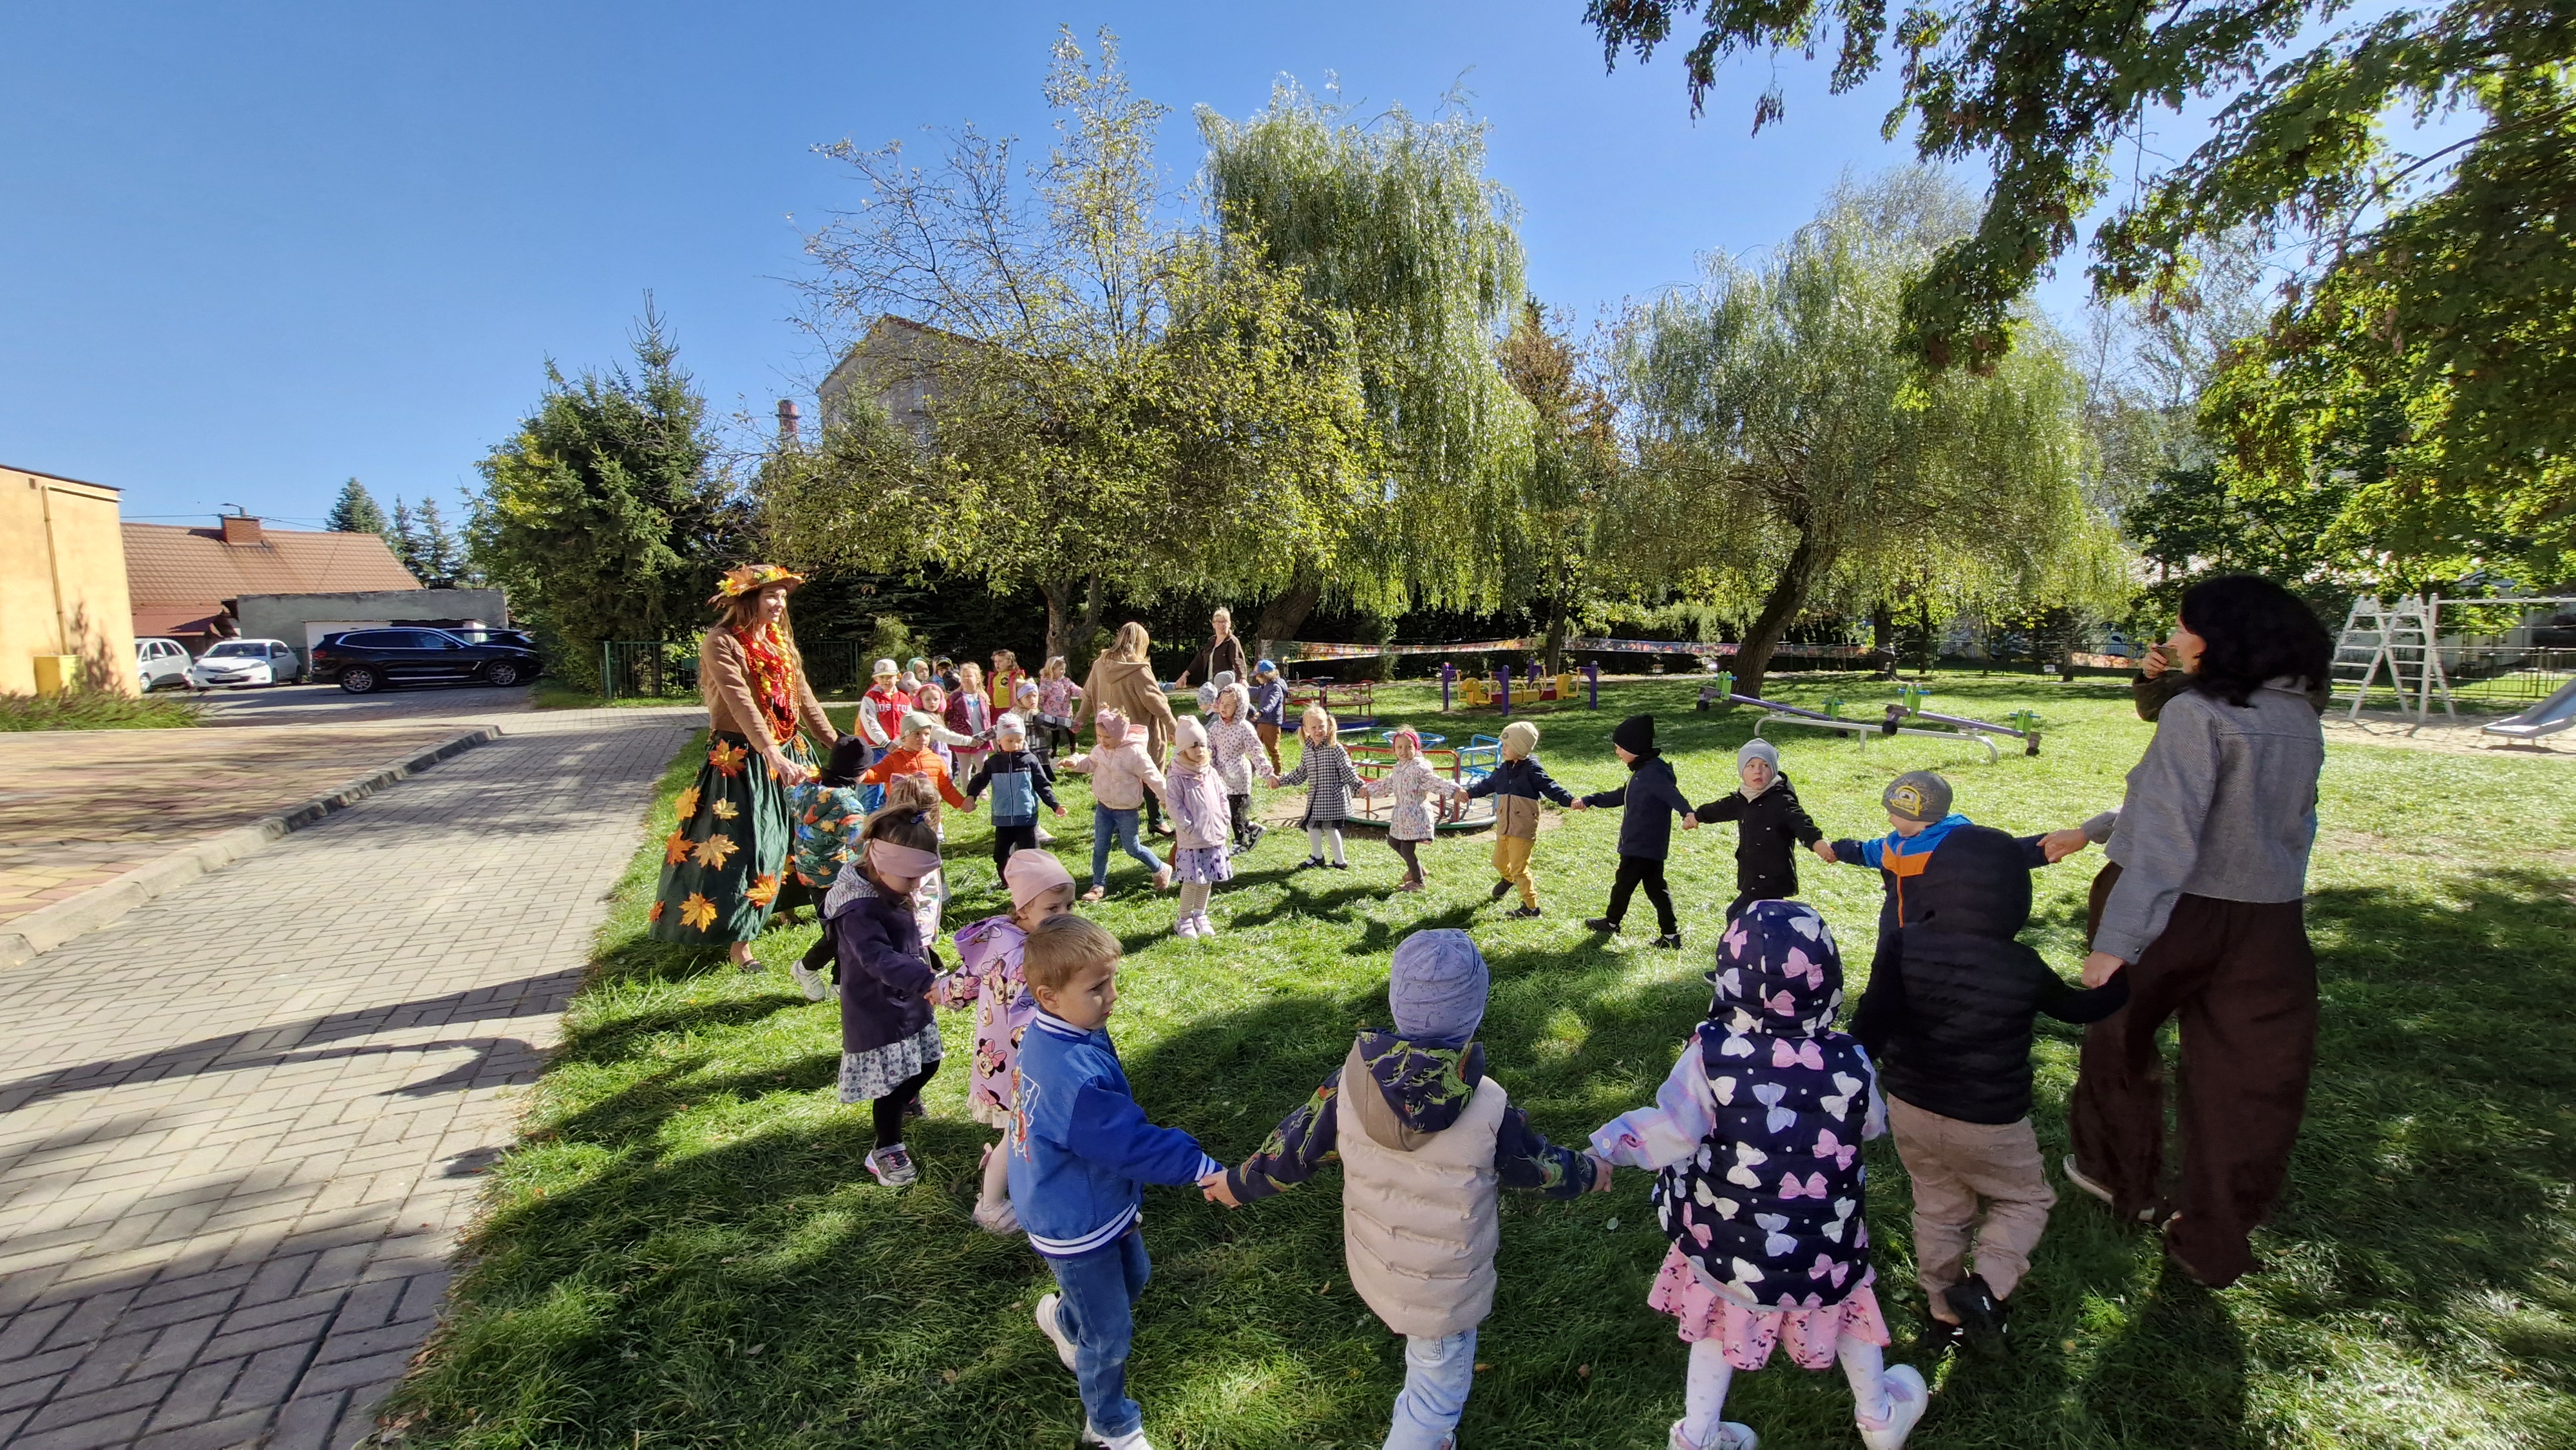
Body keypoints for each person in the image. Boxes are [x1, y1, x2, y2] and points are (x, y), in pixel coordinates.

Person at [1204, 929, 1613, 1450]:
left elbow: (1293, 1148)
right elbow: (1537, 1166)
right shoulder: (1488, 1105)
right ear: (1477, 1010)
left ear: (1398, 1001)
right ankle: (1421, 1436)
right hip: (1444, 1289)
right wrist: (1590, 1171)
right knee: (1436, 1390)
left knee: (1426, 1363)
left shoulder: (1348, 1081)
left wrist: (1238, 1184)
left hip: (1377, 1262)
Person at [2061, 574, 2332, 1288]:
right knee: (2252, 1077)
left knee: (2119, 1035)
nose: (2172, 639)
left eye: (2182, 627)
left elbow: (2165, 836)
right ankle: (2216, 1228)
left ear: (2217, 637)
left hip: (2170, 909)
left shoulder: (2199, 714)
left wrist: (2116, 941)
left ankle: (2118, 1174)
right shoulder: (2301, 713)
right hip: (2269, 920)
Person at [1589, 901, 1928, 1450]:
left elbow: (1670, 1129)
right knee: (1847, 1315)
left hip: (1729, 1246)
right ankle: (1880, 1417)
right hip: (1828, 1244)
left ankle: (1697, 1436)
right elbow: (1872, 1127)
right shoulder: (1850, 1060)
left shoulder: (1711, 1056)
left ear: (1729, 980)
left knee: (1717, 1325)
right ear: (1829, 981)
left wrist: (1607, 1147)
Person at [1846, 826, 2130, 1357]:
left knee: (1938, 1208)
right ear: (2014, 896)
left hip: (1910, 1107)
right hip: (1991, 1120)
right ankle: (1985, 1288)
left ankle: (1941, 1313)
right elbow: (2080, 1010)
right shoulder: (2022, 964)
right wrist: (2124, 975)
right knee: (2024, 1201)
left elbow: (1871, 1023)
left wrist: (1835, 1075)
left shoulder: (1902, 944)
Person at [1012, 917, 1230, 1450]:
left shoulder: (1058, 1029)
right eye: (1096, 988)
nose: (1112, 997)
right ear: (1049, 995)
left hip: (1090, 1197)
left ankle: (1065, 1320)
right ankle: (1112, 1426)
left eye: (1111, 981)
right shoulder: (1074, 1077)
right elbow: (1129, 1141)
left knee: (1133, 1276)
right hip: (1074, 1217)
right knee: (1109, 1336)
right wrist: (1202, 1168)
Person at [650, 565, 829, 968]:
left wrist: (837, 741)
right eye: (771, 595)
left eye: (783, 596)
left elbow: (803, 697)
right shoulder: (721, 642)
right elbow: (740, 702)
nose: (779, 603)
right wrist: (770, 752)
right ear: (745, 600)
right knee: (750, 842)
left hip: (790, 751)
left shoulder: (781, 642)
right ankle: (739, 947)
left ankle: (786, 907)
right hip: (742, 758)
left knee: (800, 831)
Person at [941, 847, 1079, 1232]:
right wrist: (1063, 1041)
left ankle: (1021, 1178)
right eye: (1053, 909)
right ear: (1022, 911)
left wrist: (944, 992)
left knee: (1022, 1131)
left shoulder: (999, 938)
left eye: (1069, 905)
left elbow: (967, 978)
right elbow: (1028, 1019)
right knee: (1018, 1132)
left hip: (999, 1059)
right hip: (1017, 1064)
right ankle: (990, 1205)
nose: (1064, 916)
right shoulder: (1025, 957)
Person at [824, 800, 949, 1187]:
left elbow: (906, 938)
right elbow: (877, 958)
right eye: (911, 879)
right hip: (878, 1008)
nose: (916, 887)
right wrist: (926, 981)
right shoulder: (859, 909)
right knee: (892, 1085)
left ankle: (907, 1099)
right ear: (880, 863)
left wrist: (932, 964)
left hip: (907, 998)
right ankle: (886, 1148)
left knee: (928, 1063)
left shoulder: (886, 886)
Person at [1576, 714, 1694, 948]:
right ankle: (1671, 936)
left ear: (1634, 748)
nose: (1617, 752)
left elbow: (1673, 795)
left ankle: (1612, 922)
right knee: (1656, 889)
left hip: (1642, 845)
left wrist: (1687, 813)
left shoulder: (1653, 773)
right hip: (1646, 845)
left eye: (1620, 748)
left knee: (1624, 885)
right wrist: (1591, 800)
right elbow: (1622, 795)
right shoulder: (1642, 772)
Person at [1687, 739, 1825, 925]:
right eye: (1751, 766)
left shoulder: (1781, 800)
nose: (1757, 771)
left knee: (1738, 915)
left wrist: (1817, 842)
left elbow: (1800, 822)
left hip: (1773, 877)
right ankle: (1760, 951)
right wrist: (1697, 817)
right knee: (1761, 921)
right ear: (1742, 771)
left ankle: (1740, 951)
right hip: (1751, 874)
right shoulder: (1744, 798)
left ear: (1774, 770)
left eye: (1764, 766)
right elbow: (1720, 809)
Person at [785, 735, 873, 1000]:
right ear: (860, 773)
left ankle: (839, 983)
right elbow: (862, 845)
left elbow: (789, 792)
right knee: (840, 932)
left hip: (808, 872)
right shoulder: (847, 805)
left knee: (838, 929)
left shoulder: (805, 790)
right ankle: (806, 967)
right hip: (836, 876)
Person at [1464, 719, 1575, 919]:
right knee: (1499, 861)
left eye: (1507, 745)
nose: (1503, 749)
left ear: (1520, 748)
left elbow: (1552, 788)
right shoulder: (1504, 768)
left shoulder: (1532, 770)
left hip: (1523, 828)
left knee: (1519, 868)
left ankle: (1531, 908)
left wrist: (1571, 801)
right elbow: (1488, 785)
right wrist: (1469, 794)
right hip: (1504, 826)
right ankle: (1508, 879)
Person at [1059, 708, 1171, 901]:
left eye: (1108, 737)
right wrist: (1075, 762)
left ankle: (1160, 868)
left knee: (1133, 848)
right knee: (1100, 847)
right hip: (1104, 807)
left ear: (1121, 734)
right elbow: (1090, 762)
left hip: (1126, 810)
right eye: (1100, 736)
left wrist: (1166, 798)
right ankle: (1098, 885)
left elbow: (1153, 777)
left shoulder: (1135, 753)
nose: (1103, 741)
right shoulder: (1101, 750)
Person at [1083, 623, 1181, 838]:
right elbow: (1156, 701)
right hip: (1139, 733)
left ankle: (1115, 822)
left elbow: (1088, 694)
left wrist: (1080, 719)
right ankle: (1156, 820)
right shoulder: (1138, 668)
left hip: (1109, 732)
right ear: (1141, 643)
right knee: (1149, 771)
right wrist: (1172, 726)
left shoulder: (1101, 664)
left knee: (1115, 773)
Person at [1354, 727, 1468, 892]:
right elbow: (1387, 785)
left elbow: (1436, 782)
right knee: (1394, 842)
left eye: (1409, 747)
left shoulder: (1418, 769)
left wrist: (1455, 790)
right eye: (1399, 747)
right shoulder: (1399, 768)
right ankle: (1418, 869)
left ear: (1416, 748)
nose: (1404, 751)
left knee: (1407, 848)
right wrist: (1367, 790)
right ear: (1394, 750)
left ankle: (1418, 882)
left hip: (1416, 814)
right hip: (1402, 815)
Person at [963, 713, 1065, 881]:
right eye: (1009, 740)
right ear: (1000, 741)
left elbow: (1042, 785)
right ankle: (1007, 881)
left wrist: (1055, 805)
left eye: (1019, 740)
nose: (1015, 744)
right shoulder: (993, 763)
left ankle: (1034, 880)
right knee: (1001, 853)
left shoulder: (1030, 761)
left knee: (1030, 851)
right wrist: (971, 795)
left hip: (1026, 816)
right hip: (1003, 817)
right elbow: (980, 780)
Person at [1162, 717, 1235, 938]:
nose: (1199, 750)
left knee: (1207, 881)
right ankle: (1183, 919)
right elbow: (1173, 804)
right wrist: (1187, 826)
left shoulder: (1211, 773)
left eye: (1202, 745)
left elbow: (1223, 797)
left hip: (1214, 838)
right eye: (1193, 746)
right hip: (1192, 840)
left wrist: (1224, 818)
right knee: (1192, 882)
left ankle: (1200, 914)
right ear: (1183, 749)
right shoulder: (1177, 777)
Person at [1273, 702, 1360, 871]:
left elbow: (1348, 771)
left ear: (1328, 725)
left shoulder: (1335, 748)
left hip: (1332, 798)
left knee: (1329, 828)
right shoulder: (1308, 749)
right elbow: (1300, 774)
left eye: (1322, 726)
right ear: (1306, 729)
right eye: (1314, 727)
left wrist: (1360, 787)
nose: (1319, 731)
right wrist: (1281, 781)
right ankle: (1321, 858)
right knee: (1314, 826)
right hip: (1317, 798)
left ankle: (1337, 861)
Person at [1204, 681, 1267, 852]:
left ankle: (1240, 843)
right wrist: (1206, 768)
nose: (1224, 708)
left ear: (1239, 707)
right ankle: (1253, 828)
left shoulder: (1244, 728)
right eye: (1222, 703)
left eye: (1229, 705)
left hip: (1239, 776)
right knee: (1227, 811)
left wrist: (1267, 773)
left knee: (1235, 811)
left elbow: (1256, 752)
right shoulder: (1217, 728)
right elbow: (1209, 749)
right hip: (1222, 777)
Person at [1174, 605, 1249, 692]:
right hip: (1210, 685)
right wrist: (1185, 675)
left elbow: (1238, 661)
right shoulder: (1211, 641)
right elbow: (1199, 660)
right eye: (1218, 622)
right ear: (1213, 624)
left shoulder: (1232, 641)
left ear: (1229, 624)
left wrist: (1243, 678)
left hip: (1226, 686)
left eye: (1224, 622)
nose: (1221, 625)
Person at [947, 662, 995, 785]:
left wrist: (989, 735)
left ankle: (980, 789)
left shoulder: (983, 697)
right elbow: (948, 716)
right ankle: (967, 792)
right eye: (963, 676)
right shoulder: (955, 697)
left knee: (983, 765)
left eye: (969, 676)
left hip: (981, 736)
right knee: (965, 767)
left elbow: (987, 718)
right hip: (962, 737)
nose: (966, 679)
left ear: (978, 679)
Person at [1037, 655, 1084, 757]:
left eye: (1064, 669)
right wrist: (1037, 706)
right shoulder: (1046, 683)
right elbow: (1042, 696)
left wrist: (1083, 694)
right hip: (1053, 714)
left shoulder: (1065, 681)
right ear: (1052, 670)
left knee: (1071, 731)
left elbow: (1074, 689)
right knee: (1055, 733)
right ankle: (1053, 750)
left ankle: (1073, 748)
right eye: (1061, 669)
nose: (1063, 672)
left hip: (1066, 712)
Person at [1249, 658, 1289, 775]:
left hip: (1271, 724)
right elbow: (1257, 692)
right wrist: (1244, 689)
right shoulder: (1266, 685)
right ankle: (1252, 771)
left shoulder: (1276, 688)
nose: (1256, 678)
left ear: (1266, 675)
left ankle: (1278, 774)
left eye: (1258, 676)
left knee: (1273, 751)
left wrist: (1261, 712)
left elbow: (1271, 703)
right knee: (1256, 747)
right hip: (1262, 722)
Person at [990, 648, 1028, 713]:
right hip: (997, 709)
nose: (997, 664)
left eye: (1000, 661)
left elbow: (1022, 692)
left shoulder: (1016, 676)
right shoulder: (994, 677)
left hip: (1011, 708)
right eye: (995, 662)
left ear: (1009, 662)